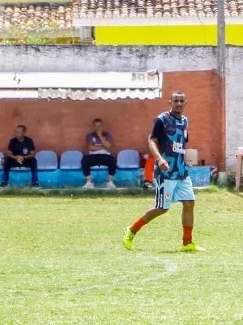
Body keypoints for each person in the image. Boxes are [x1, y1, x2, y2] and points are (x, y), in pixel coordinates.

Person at [123, 92, 197, 251]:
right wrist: (159, 159)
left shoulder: (185, 121)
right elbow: (152, 141)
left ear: (186, 103)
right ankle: (132, 230)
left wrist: (189, 160)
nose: (178, 103)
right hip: (166, 173)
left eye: (181, 101)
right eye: (175, 100)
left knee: (189, 203)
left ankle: (187, 243)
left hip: (181, 172)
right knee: (162, 208)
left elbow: (181, 144)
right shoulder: (162, 120)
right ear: (170, 102)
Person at [82, 118, 117, 190]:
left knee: (113, 160)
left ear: (102, 126)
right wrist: (103, 147)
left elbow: (108, 146)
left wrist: (100, 135)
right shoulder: (90, 135)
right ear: (94, 126)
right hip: (93, 155)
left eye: (99, 125)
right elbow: (91, 147)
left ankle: (110, 182)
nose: (98, 127)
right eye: (96, 126)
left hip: (105, 155)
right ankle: (89, 182)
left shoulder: (107, 135)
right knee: (84, 160)